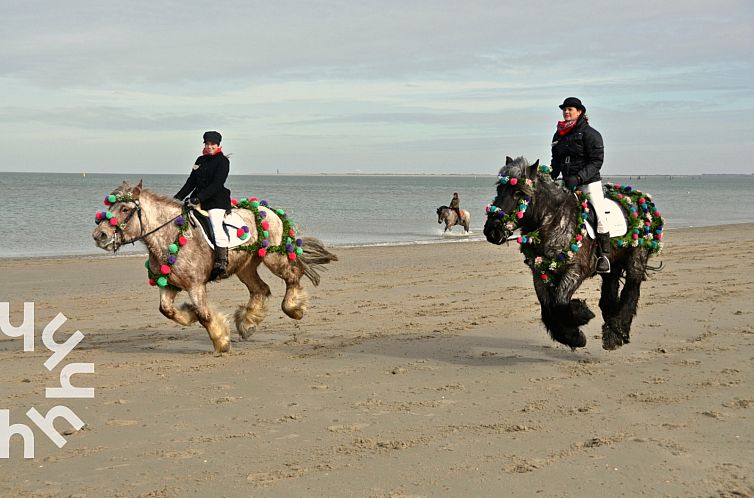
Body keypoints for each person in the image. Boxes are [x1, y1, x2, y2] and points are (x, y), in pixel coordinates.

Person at [549, 97, 611, 273]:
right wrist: (550, 175)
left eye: (570, 109)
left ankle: (603, 256)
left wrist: (579, 178)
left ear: (580, 112)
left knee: (599, 214)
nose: (566, 112)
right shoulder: (558, 135)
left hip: (588, 183)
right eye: (564, 109)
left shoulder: (591, 134)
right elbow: (556, 161)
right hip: (567, 183)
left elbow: (596, 161)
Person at [175, 130, 232, 279]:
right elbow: (191, 182)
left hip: (216, 201)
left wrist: (199, 198)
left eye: (212, 144)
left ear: (218, 145)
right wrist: (178, 197)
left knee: (215, 224)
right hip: (197, 199)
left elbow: (217, 184)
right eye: (207, 144)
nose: (209, 146)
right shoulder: (200, 160)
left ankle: (221, 262)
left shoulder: (223, 161)